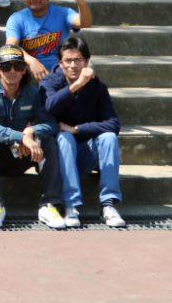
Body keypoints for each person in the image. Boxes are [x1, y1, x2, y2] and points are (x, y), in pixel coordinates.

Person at [0, 45, 67, 229]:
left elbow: (50, 123)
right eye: (6, 66)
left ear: (24, 69)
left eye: (17, 66)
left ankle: (50, 204)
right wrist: (20, 137)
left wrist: (31, 132)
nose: (12, 71)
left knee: (48, 140)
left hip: (23, 155)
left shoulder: (33, 92)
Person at [42, 36, 126, 228]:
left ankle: (108, 205)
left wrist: (77, 130)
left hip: (86, 152)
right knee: (64, 137)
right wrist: (76, 85)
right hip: (58, 157)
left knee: (108, 138)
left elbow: (113, 124)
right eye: (68, 60)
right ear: (59, 62)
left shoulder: (97, 87)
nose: (73, 65)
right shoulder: (49, 82)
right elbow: (50, 107)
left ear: (87, 61)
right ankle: (70, 205)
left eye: (78, 60)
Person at [4, 0, 93, 80]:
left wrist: (80, 2)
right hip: (30, 70)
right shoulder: (16, 18)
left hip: (62, 68)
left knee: (87, 66)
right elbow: (11, 47)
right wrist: (32, 62)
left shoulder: (63, 13)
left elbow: (85, 23)